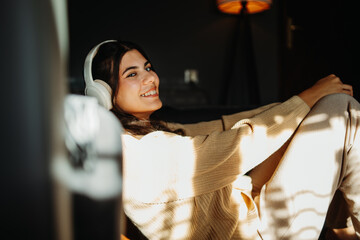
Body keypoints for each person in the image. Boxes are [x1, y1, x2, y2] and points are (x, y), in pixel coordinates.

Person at [83, 39, 360, 240]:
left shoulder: (149, 133)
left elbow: (222, 125)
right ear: (103, 93)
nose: (150, 78)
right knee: (339, 108)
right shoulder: (138, 151)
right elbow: (236, 145)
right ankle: (345, 229)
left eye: (147, 67)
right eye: (132, 74)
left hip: (254, 212)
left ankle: (344, 230)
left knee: (317, 116)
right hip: (257, 233)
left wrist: (302, 103)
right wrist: (307, 99)